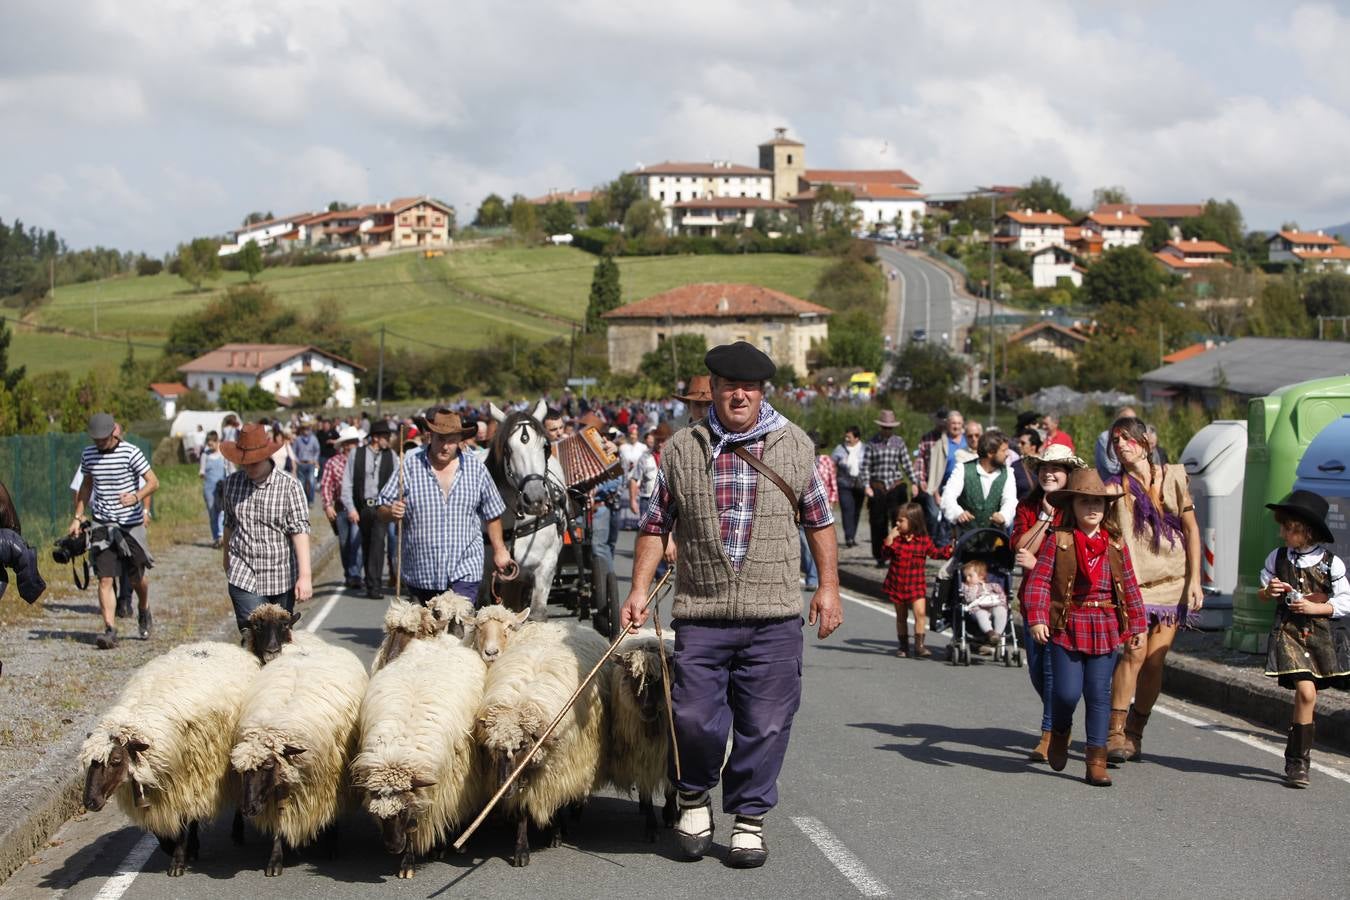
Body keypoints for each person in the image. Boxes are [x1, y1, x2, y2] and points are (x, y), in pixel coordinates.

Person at [619, 341, 841, 870]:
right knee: (693, 716)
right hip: (701, 613)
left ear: (762, 390)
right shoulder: (681, 450)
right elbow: (655, 525)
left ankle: (748, 819)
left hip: (774, 616)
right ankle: (694, 797)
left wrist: (828, 587)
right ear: (713, 389)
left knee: (766, 722)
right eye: (728, 385)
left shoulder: (795, 447)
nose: (738, 394)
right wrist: (636, 589)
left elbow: (820, 522)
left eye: (749, 386)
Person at [1023, 469, 1146, 787]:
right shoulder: (1058, 540)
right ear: (1072, 506)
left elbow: (1130, 586)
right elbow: (1038, 583)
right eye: (1084, 502)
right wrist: (1037, 617)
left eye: (1098, 502)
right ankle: (1060, 730)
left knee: (1098, 695)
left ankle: (1096, 761)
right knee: (1065, 693)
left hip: (1105, 626)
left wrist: (1137, 625)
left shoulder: (1115, 544)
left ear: (1106, 508)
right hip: (1067, 626)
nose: (1092, 508)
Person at [1102, 416, 1202, 765]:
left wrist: (1195, 580)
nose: (1121, 445)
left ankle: (1135, 733)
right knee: (1134, 653)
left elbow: (1190, 529)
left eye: (1127, 438)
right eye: (1116, 441)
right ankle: (1113, 731)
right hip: (1135, 585)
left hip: (1173, 583)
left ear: (1145, 441)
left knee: (1156, 662)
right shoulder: (1115, 487)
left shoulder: (1173, 476)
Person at [1257, 490, 1349, 787]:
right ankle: (1298, 763)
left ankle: (1296, 758)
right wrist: (1268, 591)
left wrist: (1315, 607)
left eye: (1288, 527)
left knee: (1307, 695)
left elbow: (1345, 601)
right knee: (1307, 693)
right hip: (1289, 633)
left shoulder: (1331, 564)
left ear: (1305, 530)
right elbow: (1262, 591)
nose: (1282, 532)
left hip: (1319, 636)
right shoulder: (1278, 557)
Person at [379, 408, 514, 604]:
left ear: (460, 440)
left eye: (451, 440)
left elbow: (492, 514)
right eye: (441, 439)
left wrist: (500, 550)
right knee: (427, 633)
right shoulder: (409, 467)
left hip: (465, 570)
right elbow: (381, 507)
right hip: (421, 572)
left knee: (458, 630)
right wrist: (391, 511)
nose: (445, 446)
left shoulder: (476, 469)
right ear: (430, 436)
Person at [1010, 444, 1086, 761]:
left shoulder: (1079, 508)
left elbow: (1081, 555)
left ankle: (1049, 735)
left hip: (1066, 604)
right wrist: (1044, 517)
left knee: (1054, 673)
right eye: (1043, 468)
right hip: (1033, 602)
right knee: (1038, 673)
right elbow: (1019, 546)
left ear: (1069, 474)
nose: (1048, 473)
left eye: (1056, 468)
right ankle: (1060, 723)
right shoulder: (1028, 507)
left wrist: (1037, 564)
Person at [71, 413, 159, 650]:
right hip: (102, 523)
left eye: (103, 438)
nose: (99, 443)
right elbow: (86, 485)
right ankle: (110, 629)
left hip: (130, 524)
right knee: (105, 578)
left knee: (136, 577)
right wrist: (78, 518)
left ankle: (143, 609)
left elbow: (153, 481)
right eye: (95, 439)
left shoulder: (131, 452)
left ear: (113, 433)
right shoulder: (88, 455)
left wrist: (137, 497)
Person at [219, 423, 313, 631]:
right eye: (245, 463)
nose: (249, 467)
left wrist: (305, 576)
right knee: (253, 636)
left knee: (277, 640)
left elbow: (299, 530)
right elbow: (229, 524)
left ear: (266, 457)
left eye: (254, 462)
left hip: (280, 574)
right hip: (243, 573)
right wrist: (226, 559)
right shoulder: (231, 484)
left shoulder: (290, 486)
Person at [881, 501, 952, 658]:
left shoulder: (923, 541)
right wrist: (890, 538)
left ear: (913, 521)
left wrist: (950, 550)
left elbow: (936, 553)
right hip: (897, 583)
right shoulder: (896, 540)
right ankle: (903, 646)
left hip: (916, 583)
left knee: (920, 613)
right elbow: (884, 555)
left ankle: (919, 645)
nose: (897, 524)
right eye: (897, 520)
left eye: (901, 521)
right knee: (901, 616)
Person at [341, 420, 398, 599]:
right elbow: (347, 484)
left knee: (378, 544)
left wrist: (393, 507)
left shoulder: (392, 456)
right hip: (363, 507)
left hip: (382, 508)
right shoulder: (356, 454)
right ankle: (370, 581)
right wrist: (351, 508)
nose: (388, 440)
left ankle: (375, 587)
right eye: (385, 436)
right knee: (366, 545)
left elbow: (398, 483)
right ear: (375, 437)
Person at [860, 409, 919, 567]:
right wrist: (866, 485)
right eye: (885, 427)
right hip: (878, 486)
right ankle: (880, 555)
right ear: (880, 427)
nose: (887, 430)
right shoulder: (872, 443)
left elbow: (906, 464)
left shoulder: (898, 442)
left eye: (890, 428)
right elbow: (865, 467)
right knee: (878, 523)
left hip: (895, 486)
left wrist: (914, 482)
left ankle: (898, 553)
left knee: (900, 522)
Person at [941, 431, 1016, 535]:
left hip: (995, 541)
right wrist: (958, 513)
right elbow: (947, 497)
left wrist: (1003, 515)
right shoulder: (962, 469)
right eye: (1004, 450)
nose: (1008, 454)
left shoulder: (1008, 473)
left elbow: (1010, 501)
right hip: (965, 540)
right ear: (990, 453)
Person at [320, 425, 364, 588]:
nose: (354, 445)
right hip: (341, 507)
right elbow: (326, 485)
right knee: (345, 543)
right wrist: (327, 505)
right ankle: (349, 573)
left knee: (356, 541)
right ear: (344, 444)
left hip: (358, 507)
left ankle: (355, 574)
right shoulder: (333, 462)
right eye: (351, 442)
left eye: (355, 442)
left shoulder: (361, 460)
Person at [920, 409, 966, 544]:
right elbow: (934, 471)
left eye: (959, 423)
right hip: (942, 485)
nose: (956, 426)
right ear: (948, 425)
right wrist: (936, 493)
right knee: (935, 515)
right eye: (953, 423)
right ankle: (936, 542)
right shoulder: (940, 444)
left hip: (963, 486)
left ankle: (957, 542)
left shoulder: (967, 441)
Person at [799, 431, 837, 592]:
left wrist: (833, 501)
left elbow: (832, 483)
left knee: (819, 543)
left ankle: (818, 578)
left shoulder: (826, 461)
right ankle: (811, 575)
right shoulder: (800, 459)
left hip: (823, 507)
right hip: (802, 508)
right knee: (804, 545)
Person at [960, 559, 1009, 650]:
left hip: (994, 605)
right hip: (978, 608)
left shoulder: (992, 585)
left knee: (1001, 610)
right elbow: (969, 598)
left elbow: (1002, 595)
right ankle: (990, 633)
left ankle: (997, 635)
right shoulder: (965, 587)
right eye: (966, 576)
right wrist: (973, 588)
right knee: (980, 614)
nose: (967, 578)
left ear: (981, 577)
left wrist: (1002, 603)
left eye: (970, 576)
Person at [831, 426, 866, 548]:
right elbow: (832, 464)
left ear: (857, 438)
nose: (846, 438)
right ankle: (849, 537)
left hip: (860, 484)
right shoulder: (839, 449)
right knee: (847, 510)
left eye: (849, 437)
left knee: (857, 511)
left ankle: (853, 535)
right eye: (846, 436)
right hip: (844, 483)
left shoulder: (865, 449)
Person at [199, 430, 228, 548]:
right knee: (212, 513)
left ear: (217, 442)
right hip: (209, 488)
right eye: (209, 444)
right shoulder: (205, 455)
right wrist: (201, 473)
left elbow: (229, 470)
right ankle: (216, 538)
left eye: (212, 444)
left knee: (222, 511)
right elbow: (202, 470)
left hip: (221, 487)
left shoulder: (223, 454)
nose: (210, 447)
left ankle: (221, 535)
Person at [1094, 406, 1137, 480]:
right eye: (1129, 419)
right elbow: (1112, 467)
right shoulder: (1106, 437)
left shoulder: (1134, 438)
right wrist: (1134, 466)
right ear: (1119, 420)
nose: (1132, 422)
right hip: (1109, 484)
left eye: (1134, 419)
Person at [292, 422, 321, 505]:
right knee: (302, 483)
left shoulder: (313, 439)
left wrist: (315, 460)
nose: (306, 430)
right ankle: (304, 500)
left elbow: (317, 450)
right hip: (301, 464)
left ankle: (311, 500)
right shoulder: (298, 439)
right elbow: (294, 451)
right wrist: (297, 461)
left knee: (312, 482)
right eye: (304, 429)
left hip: (311, 464)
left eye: (307, 428)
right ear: (301, 430)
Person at [1012, 427, 1042, 500]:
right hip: (1022, 508)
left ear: (1033, 447)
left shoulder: (1044, 464)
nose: (1019, 445)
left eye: (1023, 443)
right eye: (1019, 442)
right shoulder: (1015, 466)